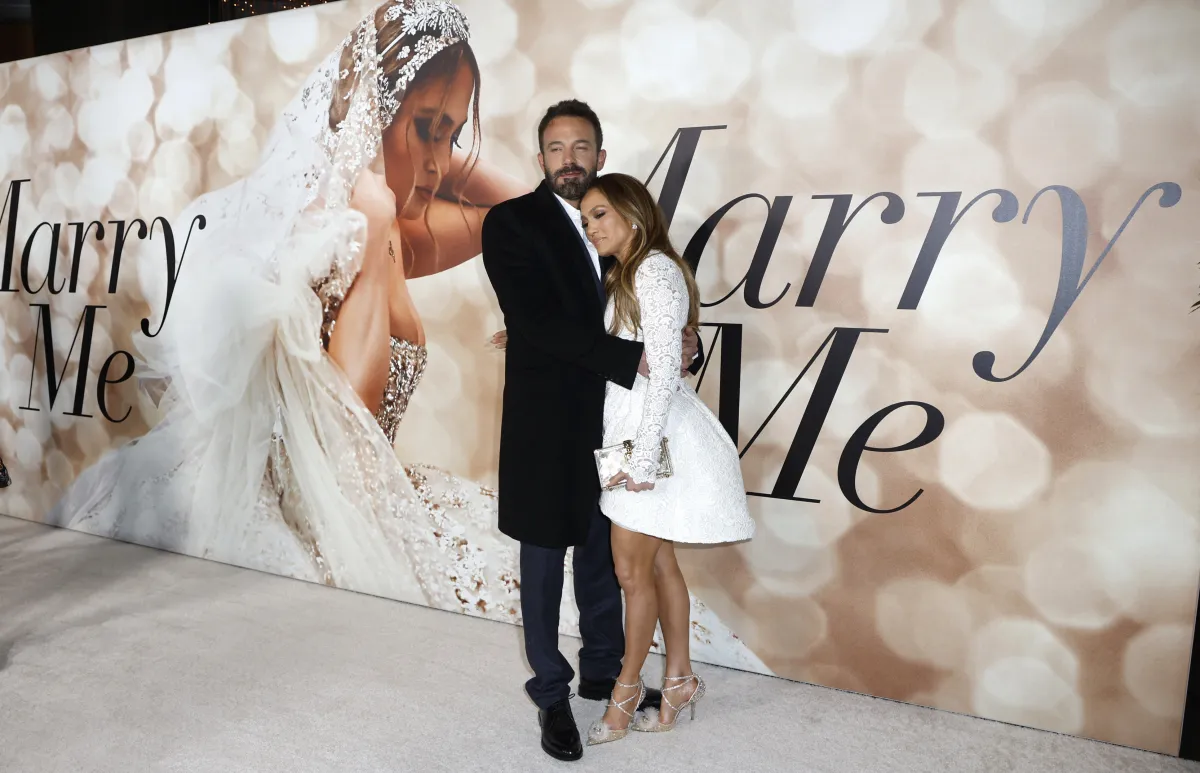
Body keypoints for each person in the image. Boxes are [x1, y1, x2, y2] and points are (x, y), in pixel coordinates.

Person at [48, 0, 531, 622]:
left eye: (454, 134)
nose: (440, 162)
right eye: (425, 126)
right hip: (309, 512)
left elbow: (531, 214)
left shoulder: (399, 229)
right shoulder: (328, 232)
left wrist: (426, 146)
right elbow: (344, 445)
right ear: (374, 111)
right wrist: (379, 214)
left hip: (366, 502)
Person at [482, 100, 712, 762]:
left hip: (617, 417)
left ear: (600, 157)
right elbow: (537, 322)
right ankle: (551, 690)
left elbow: (650, 302)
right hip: (545, 422)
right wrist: (634, 358)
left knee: (609, 556)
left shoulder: (620, 225)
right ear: (541, 160)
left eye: (581, 146)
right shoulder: (511, 223)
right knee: (543, 556)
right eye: (556, 148)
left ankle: (604, 673)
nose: (569, 159)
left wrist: (678, 341)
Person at [579, 173, 755, 746]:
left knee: (632, 571)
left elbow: (659, 376)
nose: (592, 227)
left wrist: (646, 459)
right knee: (658, 566)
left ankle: (625, 693)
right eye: (586, 220)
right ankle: (678, 678)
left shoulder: (652, 271)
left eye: (600, 214)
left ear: (632, 213)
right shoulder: (632, 272)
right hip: (637, 436)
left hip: (648, 441)